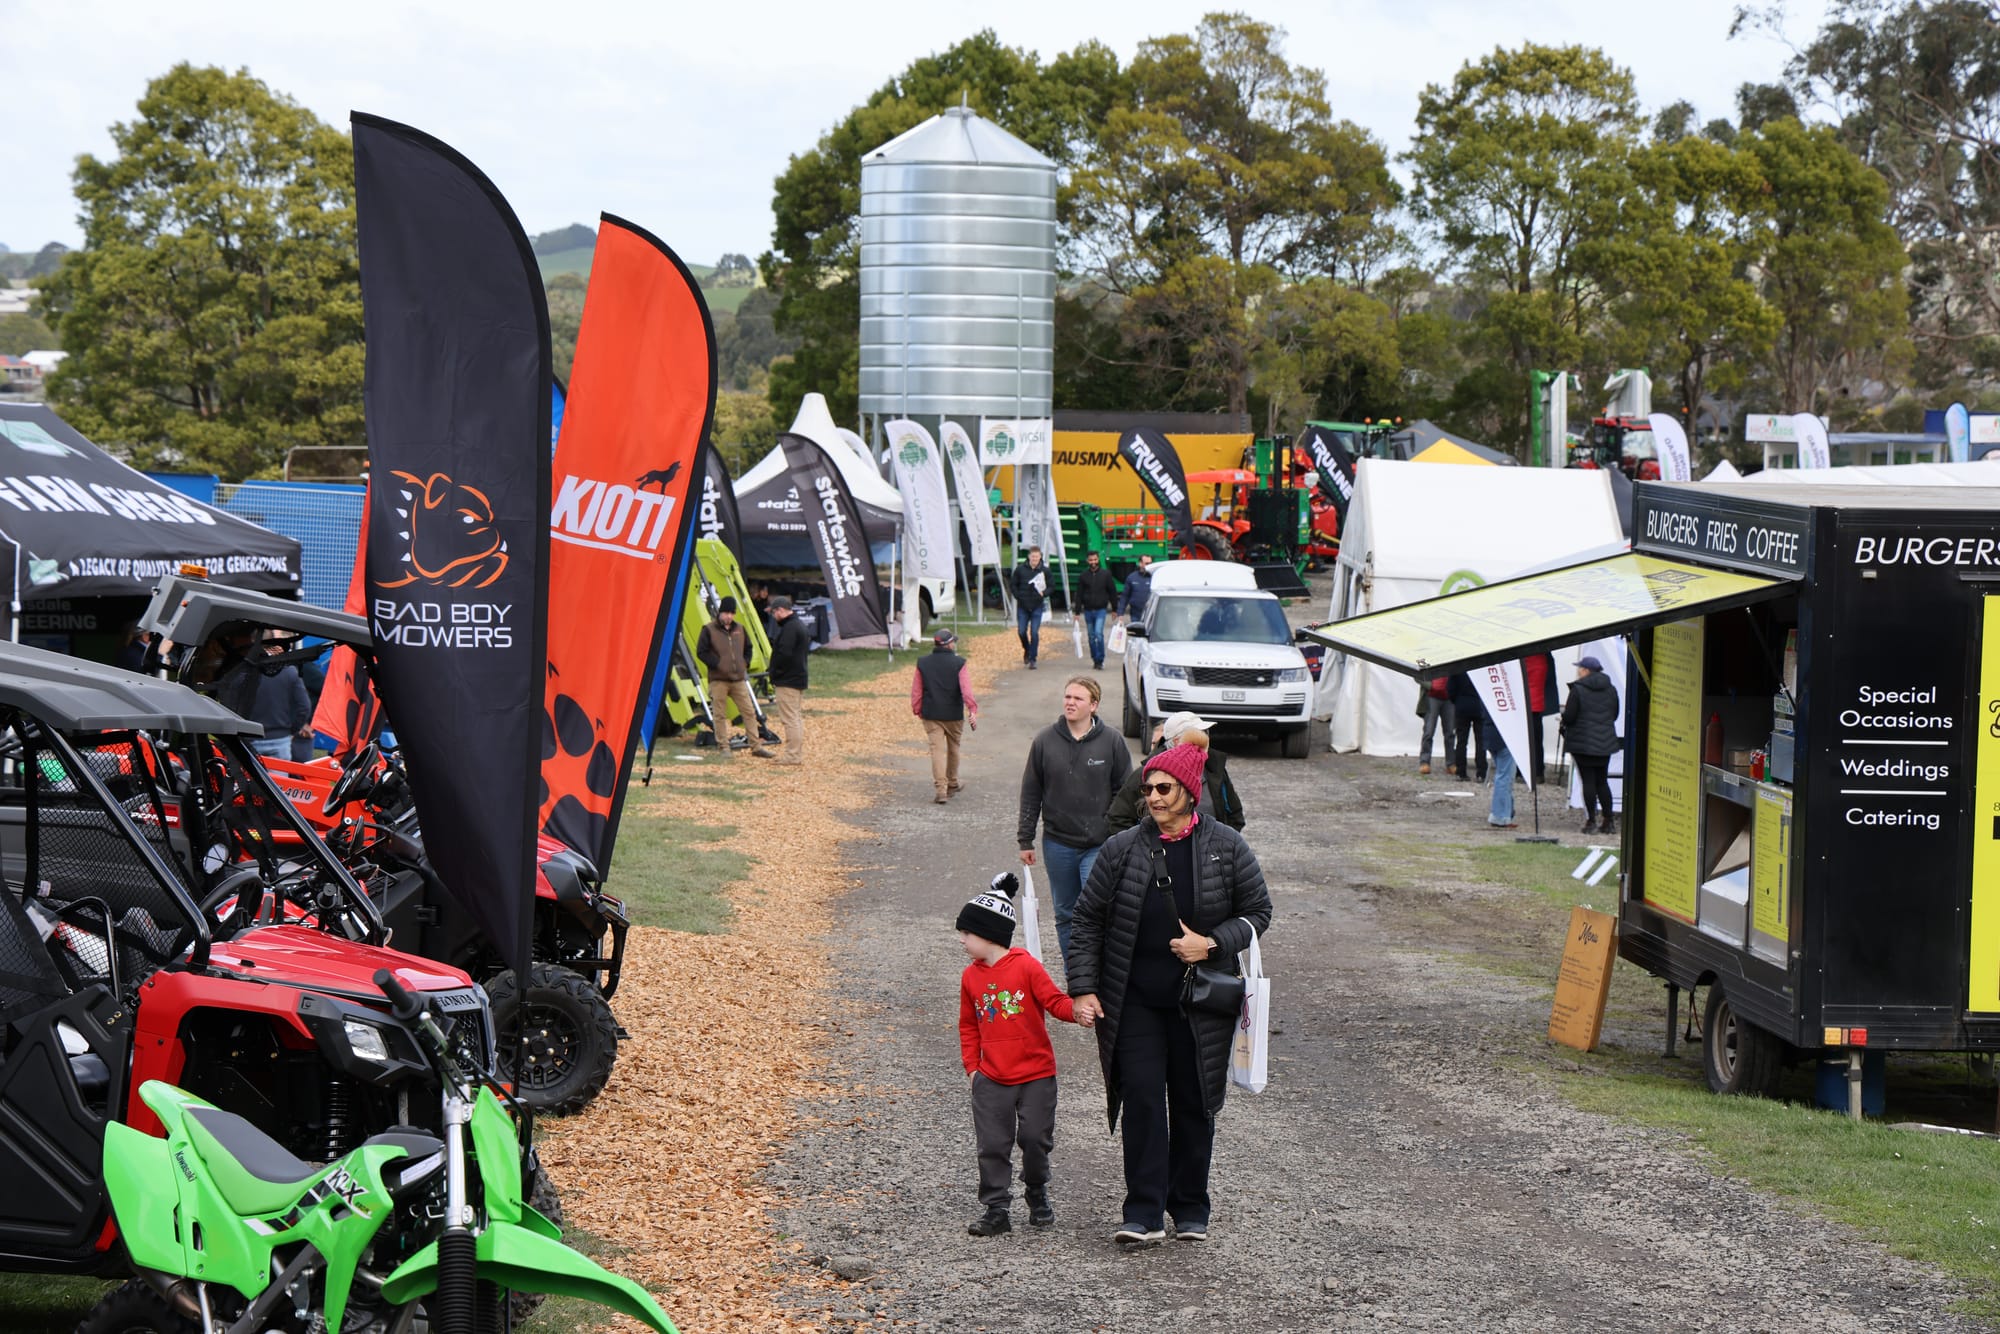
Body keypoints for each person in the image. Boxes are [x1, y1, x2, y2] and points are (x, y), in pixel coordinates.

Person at [1068, 743, 1272, 1247]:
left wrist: (1212, 944)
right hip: (1133, 1000)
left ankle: (1189, 1207)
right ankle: (1142, 1213)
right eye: (1148, 789)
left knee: (1193, 1101)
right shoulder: (1122, 849)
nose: (1153, 798)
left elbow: (1259, 912)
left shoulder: (1226, 846)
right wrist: (1083, 988)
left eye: (1163, 788)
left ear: (1189, 791)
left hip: (1201, 1001)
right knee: (1140, 1100)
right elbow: (1087, 920)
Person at [958, 871, 1085, 1237]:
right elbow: (968, 1025)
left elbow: (1054, 1000)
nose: (963, 940)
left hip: (1035, 1074)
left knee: (1034, 1138)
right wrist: (973, 1068)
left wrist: (1077, 1012)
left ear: (989, 934)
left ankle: (1036, 1189)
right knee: (993, 1144)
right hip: (991, 1077)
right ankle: (996, 1208)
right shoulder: (971, 977)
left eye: (967, 933)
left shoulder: (1027, 965)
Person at [1018, 676, 1132, 963]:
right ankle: (1076, 975)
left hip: (1099, 843)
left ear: (1093, 705)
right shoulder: (1045, 740)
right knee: (1066, 912)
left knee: (1096, 908)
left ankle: (1101, 972)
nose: (1070, 702)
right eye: (1067, 696)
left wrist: (1117, 833)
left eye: (1078, 698)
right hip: (1058, 843)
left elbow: (1125, 791)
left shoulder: (1112, 741)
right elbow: (1031, 790)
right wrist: (1025, 839)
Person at [1106, 711, 1244, 834]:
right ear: (1177, 741)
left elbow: (1235, 814)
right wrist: (1142, 852)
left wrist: (1223, 846)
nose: (1205, 739)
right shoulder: (1147, 774)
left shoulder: (1214, 768)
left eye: (1206, 733)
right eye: (1198, 734)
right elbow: (1118, 818)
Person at [696, 597, 776, 759]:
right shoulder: (708, 629)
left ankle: (756, 746)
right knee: (719, 714)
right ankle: (723, 746)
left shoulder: (740, 629)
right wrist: (717, 664)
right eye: (726, 612)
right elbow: (701, 651)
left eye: (732, 613)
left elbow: (749, 648)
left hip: (738, 679)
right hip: (718, 679)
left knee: (749, 712)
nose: (729, 616)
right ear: (720, 612)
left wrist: (744, 663)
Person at [912, 627, 978, 803]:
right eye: (953, 642)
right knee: (953, 748)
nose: (955, 644)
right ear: (948, 645)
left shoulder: (923, 663)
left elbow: (916, 690)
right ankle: (953, 783)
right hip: (953, 714)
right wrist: (972, 709)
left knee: (937, 751)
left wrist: (917, 709)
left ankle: (941, 790)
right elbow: (966, 690)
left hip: (931, 713)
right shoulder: (959, 663)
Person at [1562, 655, 1621, 834]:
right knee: (1602, 781)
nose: (1578, 671)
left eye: (1580, 668)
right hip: (1605, 742)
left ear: (1586, 670)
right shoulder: (1610, 689)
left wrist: (1563, 719)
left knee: (1588, 781)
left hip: (1583, 742)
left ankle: (1591, 821)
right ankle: (1608, 821)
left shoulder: (1578, 689)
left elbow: (1570, 716)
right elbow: (1614, 714)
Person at [766, 595, 810, 765]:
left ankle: (793, 755)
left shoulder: (790, 628)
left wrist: (774, 672)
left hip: (787, 680)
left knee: (790, 719)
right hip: (797, 677)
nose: (773, 617)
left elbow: (784, 654)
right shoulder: (798, 625)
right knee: (795, 717)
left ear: (781, 610)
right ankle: (795, 754)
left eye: (774, 612)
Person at [247, 657, 312, 760]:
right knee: (278, 776)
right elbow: (304, 707)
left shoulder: (244, 670)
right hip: (279, 738)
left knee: (248, 775)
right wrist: (292, 731)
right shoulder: (290, 671)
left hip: (250, 737)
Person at [1075, 550, 1118, 670]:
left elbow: (1112, 592)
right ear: (1087, 561)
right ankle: (1095, 658)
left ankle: (1100, 659)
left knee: (1098, 634)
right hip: (1088, 610)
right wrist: (1077, 612)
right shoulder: (1083, 576)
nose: (1093, 562)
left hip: (1101, 610)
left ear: (1098, 559)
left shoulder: (1106, 574)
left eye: (1095, 559)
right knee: (1090, 636)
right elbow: (1079, 594)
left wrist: (1115, 609)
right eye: (1091, 560)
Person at [1523, 650, 1558, 784]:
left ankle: (1524, 772)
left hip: (1526, 705)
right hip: (1538, 705)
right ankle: (1538, 772)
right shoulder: (1544, 660)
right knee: (1537, 741)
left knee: (1525, 741)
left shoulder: (1525, 661)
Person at [1012, 546, 1049, 669]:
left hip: (1037, 606)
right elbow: (1013, 585)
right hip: (1023, 606)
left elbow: (1052, 586)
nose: (1034, 559)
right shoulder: (1020, 570)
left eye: (1037, 556)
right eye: (1032, 556)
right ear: (1029, 556)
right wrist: (1018, 596)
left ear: (1040, 557)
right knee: (1021, 631)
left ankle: (1033, 658)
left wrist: (1044, 593)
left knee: (1034, 632)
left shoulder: (1045, 571)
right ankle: (1027, 649)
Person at [1448, 672, 1487, 783]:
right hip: (1479, 706)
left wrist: (1457, 701)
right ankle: (1481, 772)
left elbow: (1450, 688)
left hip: (1462, 705)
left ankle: (1460, 772)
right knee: (1480, 741)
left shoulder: (1458, 668)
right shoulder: (1481, 666)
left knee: (1461, 741)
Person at [1484, 711, 1519, 830]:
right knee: (1505, 777)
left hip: (1490, 733)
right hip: (1504, 736)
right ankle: (1500, 816)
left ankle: (1505, 812)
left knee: (1503, 775)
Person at [1415, 675, 1454, 776]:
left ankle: (1451, 763)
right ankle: (1424, 761)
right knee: (1429, 731)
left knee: (1450, 733)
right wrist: (1430, 685)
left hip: (1449, 697)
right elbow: (1417, 674)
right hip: (1432, 696)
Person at [1117, 553, 1154, 624]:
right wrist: (1120, 613)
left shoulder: (1154, 578)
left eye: (1150, 563)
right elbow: (1125, 596)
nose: (1149, 566)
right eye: (1146, 563)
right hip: (1136, 615)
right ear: (1140, 563)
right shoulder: (1132, 578)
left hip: (1151, 615)